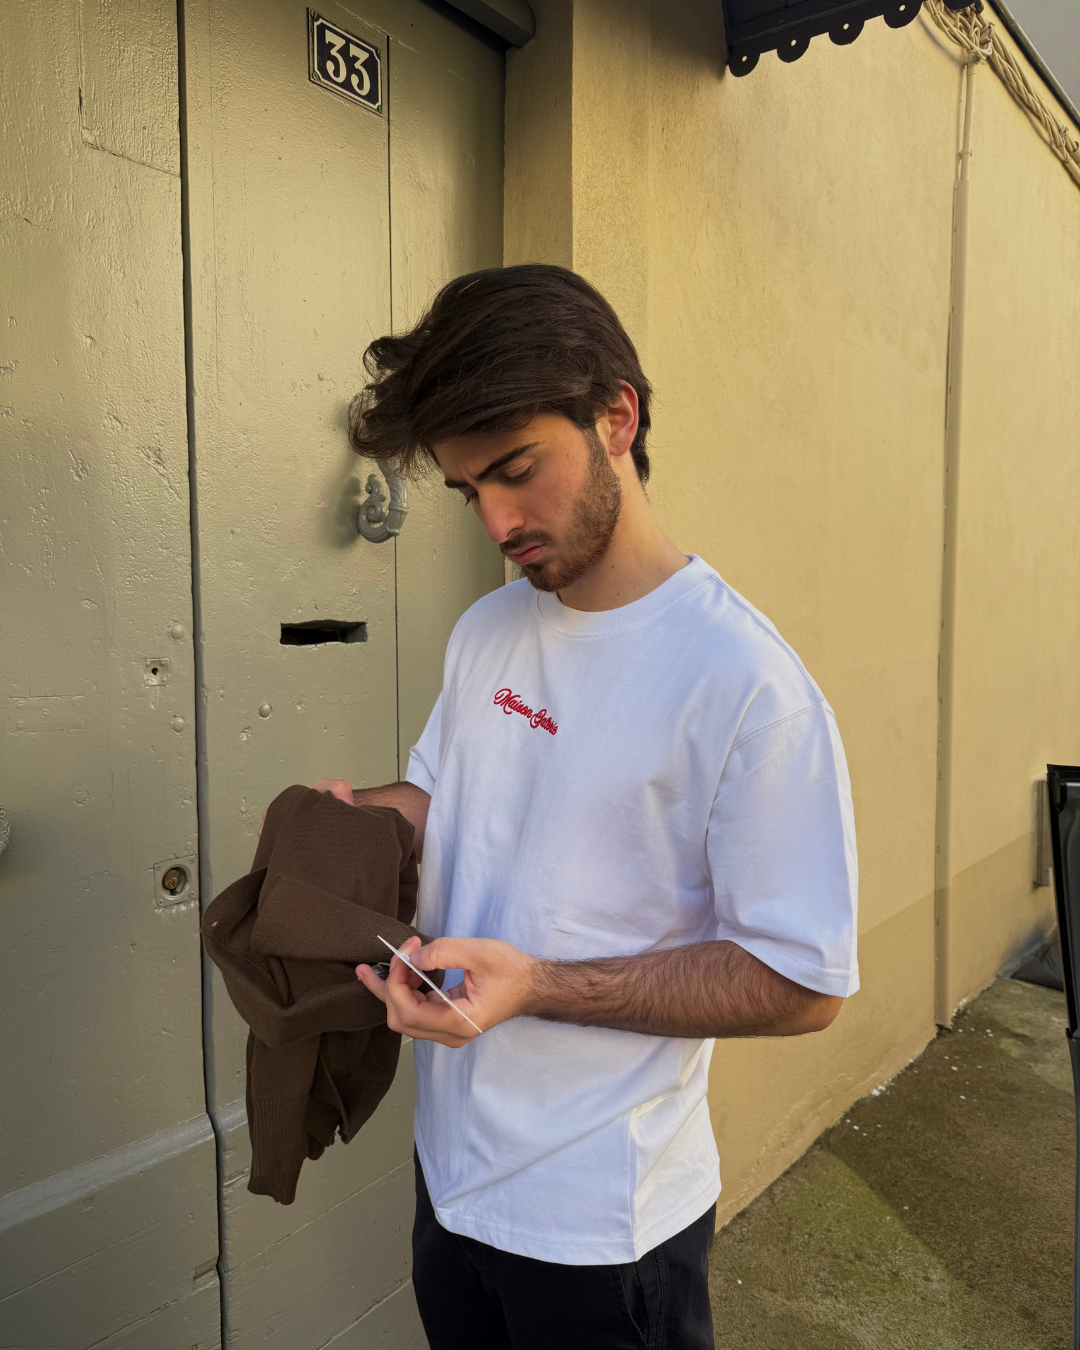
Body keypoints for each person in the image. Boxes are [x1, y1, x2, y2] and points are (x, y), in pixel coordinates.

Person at [309, 265, 859, 1349]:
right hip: (453, 1179)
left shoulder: (746, 686)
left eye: (516, 471)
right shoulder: (491, 631)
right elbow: (448, 796)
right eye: (471, 492)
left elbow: (803, 983)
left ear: (618, 415)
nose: (498, 522)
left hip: (605, 1235)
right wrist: (358, 818)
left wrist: (542, 985)